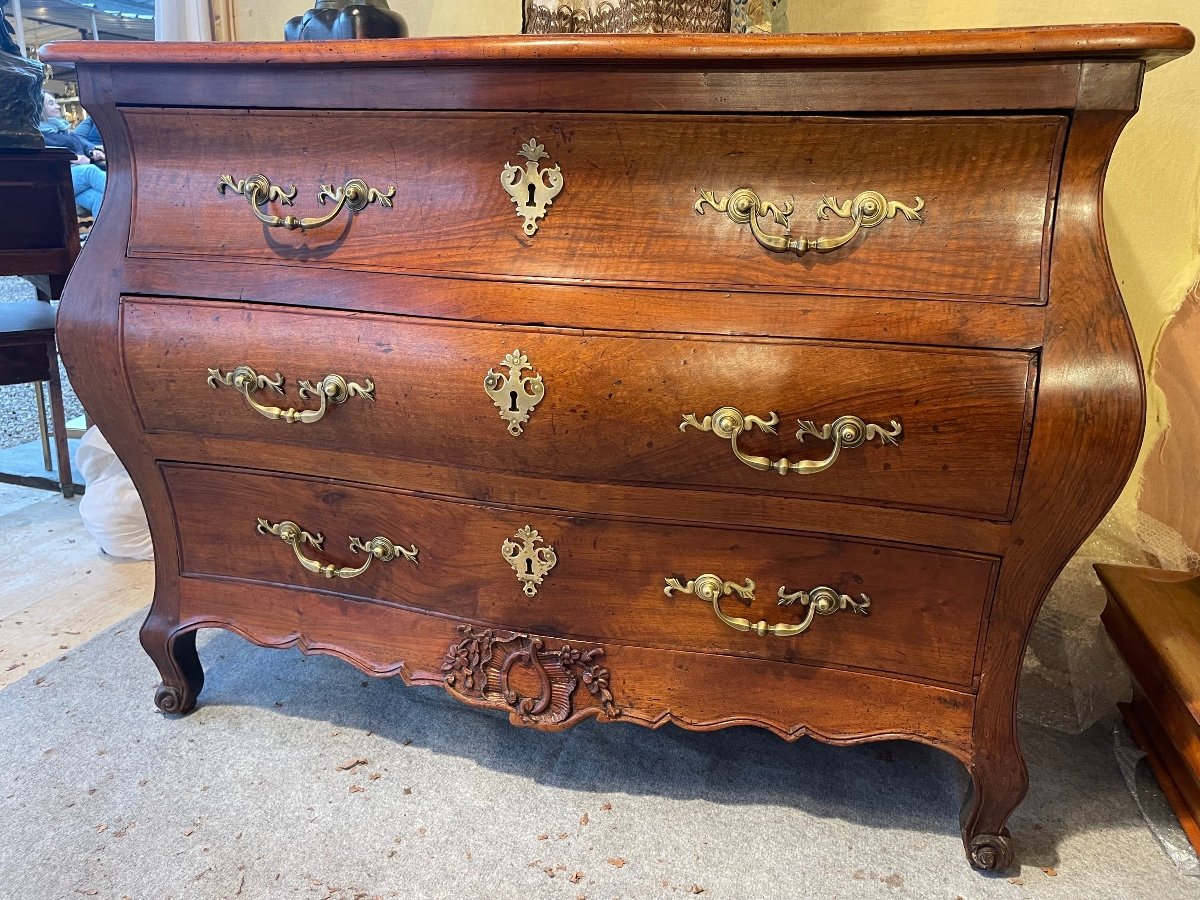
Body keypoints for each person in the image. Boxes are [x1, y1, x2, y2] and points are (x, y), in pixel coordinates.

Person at [38, 92, 107, 217]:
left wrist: (92, 150)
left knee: (99, 198)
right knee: (90, 171)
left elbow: (80, 140)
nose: (58, 106)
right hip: (56, 177)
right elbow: (42, 154)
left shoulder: (60, 129)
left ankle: (106, 235)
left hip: (73, 180)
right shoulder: (38, 134)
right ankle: (134, 197)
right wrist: (71, 158)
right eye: (51, 103)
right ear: (40, 109)